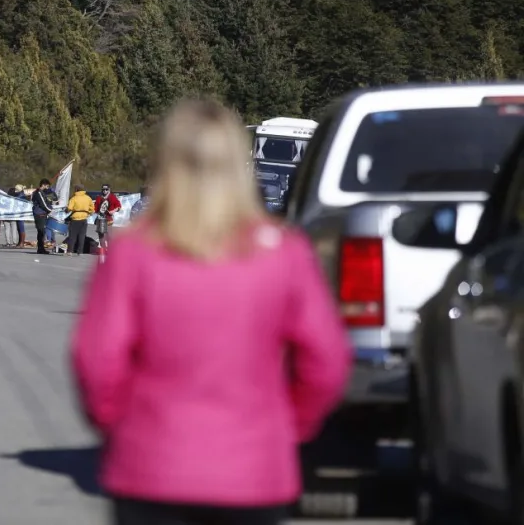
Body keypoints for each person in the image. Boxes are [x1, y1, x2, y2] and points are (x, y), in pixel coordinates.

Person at [71, 99, 350, 525]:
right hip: (253, 472)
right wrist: (288, 428)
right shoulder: (285, 253)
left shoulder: (134, 252)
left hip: (151, 465)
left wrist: (121, 426)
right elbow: (326, 362)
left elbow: (97, 360)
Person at [65, 185, 94, 257]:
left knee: (72, 236)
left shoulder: (74, 198)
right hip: (84, 219)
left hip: (75, 219)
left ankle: (70, 251)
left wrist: (66, 210)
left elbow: (69, 208)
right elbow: (92, 209)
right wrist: (89, 213)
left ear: (76, 190)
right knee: (82, 236)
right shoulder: (88, 198)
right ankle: (80, 251)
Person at [94, 184, 122, 251]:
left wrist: (113, 210)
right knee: (101, 234)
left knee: (109, 235)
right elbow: (95, 208)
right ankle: (103, 249)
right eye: (103, 189)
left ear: (109, 190)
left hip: (108, 219)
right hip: (100, 218)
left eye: (106, 189)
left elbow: (119, 206)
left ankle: (110, 250)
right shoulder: (99, 197)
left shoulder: (112, 197)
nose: (104, 191)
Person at [31, 178, 53, 255]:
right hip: (39, 214)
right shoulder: (39, 193)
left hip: (41, 214)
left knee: (41, 232)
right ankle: (40, 248)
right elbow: (43, 204)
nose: (48, 188)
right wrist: (50, 210)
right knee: (41, 232)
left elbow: (45, 201)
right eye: (47, 186)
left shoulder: (38, 192)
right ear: (43, 185)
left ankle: (41, 248)